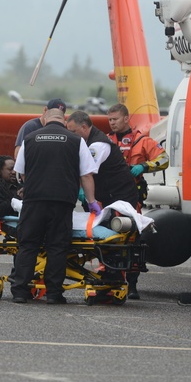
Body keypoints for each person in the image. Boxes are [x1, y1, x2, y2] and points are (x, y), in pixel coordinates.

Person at [9, 106, 98, 305]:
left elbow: (21, 172)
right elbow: (86, 175)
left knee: (28, 245)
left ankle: (20, 292)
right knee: (57, 247)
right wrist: (92, 202)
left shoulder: (30, 139)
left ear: (45, 119)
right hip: (62, 202)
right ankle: (54, 294)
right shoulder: (77, 141)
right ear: (64, 121)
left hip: (34, 201)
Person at [65, 110, 144, 299]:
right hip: (109, 196)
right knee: (110, 240)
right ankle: (110, 275)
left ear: (84, 127)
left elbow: (87, 171)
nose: (71, 136)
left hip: (121, 198)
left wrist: (85, 193)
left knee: (121, 239)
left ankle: (126, 282)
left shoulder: (97, 145)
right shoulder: (88, 141)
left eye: (73, 131)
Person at [106, 103, 169, 210]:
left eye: (115, 119)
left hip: (132, 194)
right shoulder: (105, 140)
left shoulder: (142, 141)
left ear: (126, 119)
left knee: (131, 224)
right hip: (108, 193)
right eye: (110, 120)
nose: (112, 123)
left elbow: (164, 159)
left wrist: (143, 166)